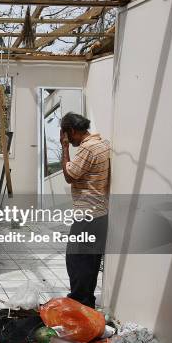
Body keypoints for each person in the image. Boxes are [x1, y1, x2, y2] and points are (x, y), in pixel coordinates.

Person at [60, 112, 110, 308]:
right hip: (99, 214)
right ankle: (86, 303)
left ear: (71, 131)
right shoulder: (102, 144)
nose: (67, 139)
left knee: (76, 261)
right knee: (89, 262)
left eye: (66, 135)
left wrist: (64, 148)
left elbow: (70, 175)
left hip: (88, 216)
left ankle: (80, 305)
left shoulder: (87, 148)